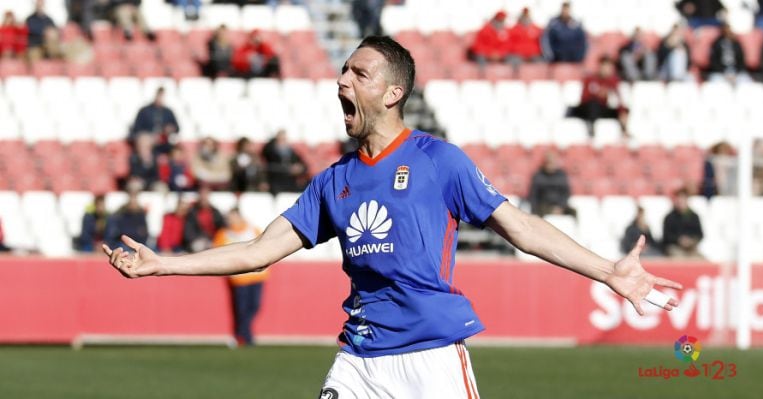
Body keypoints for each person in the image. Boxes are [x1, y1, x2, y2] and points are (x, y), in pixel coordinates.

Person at [102, 36, 682, 399]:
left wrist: (609, 271)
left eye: (359, 74)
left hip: (430, 357)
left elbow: (522, 228)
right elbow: (258, 250)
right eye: (343, 71)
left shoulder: (439, 161)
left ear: (393, 92)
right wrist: (164, 266)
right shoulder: (333, 180)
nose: (341, 81)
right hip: (358, 358)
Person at [213, 208, 267, 345]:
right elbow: (216, 252)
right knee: (241, 308)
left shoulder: (252, 230)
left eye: (232, 217)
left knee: (254, 306)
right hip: (239, 278)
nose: (230, 220)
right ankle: (245, 337)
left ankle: (242, 334)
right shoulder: (224, 234)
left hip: (257, 276)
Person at [568, 55, 628, 136]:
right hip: (591, 108)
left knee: (624, 110)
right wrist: (598, 94)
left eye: (609, 67)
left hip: (604, 108)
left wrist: (621, 109)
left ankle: (624, 130)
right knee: (593, 106)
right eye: (605, 66)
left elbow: (618, 99)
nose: (607, 69)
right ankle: (591, 130)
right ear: (600, 67)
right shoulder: (590, 79)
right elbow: (584, 98)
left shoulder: (614, 81)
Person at [527, 151, 575, 217]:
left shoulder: (562, 175)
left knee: (574, 212)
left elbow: (566, 193)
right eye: (548, 163)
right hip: (543, 206)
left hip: (560, 206)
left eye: (552, 162)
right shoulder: (538, 176)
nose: (550, 165)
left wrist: (561, 206)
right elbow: (533, 195)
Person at [261, 130, 308, 194]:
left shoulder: (291, 151)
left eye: (284, 139)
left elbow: (304, 165)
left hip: (290, 181)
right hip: (275, 181)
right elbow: (270, 166)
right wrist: (288, 169)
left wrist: (299, 168)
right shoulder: (270, 150)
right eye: (281, 139)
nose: (282, 142)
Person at [662, 188, 704, 259]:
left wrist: (691, 241)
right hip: (675, 247)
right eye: (678, 199)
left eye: (683, 199)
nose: (680, 202)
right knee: (679, 259)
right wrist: (679, 240)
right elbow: (666, 236)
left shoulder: (694, 216)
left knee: (701, 261)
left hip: (691, 248)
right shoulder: (669, 217)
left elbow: (700, 234)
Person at [183, 186, 225, 252]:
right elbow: (189, 231)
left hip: (213, 240)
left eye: (206, 194)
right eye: (202, 194)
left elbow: (222, 226)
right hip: (198, 240)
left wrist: (217, 239)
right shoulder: (192, 212)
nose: (204, 197)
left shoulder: (215, 211)